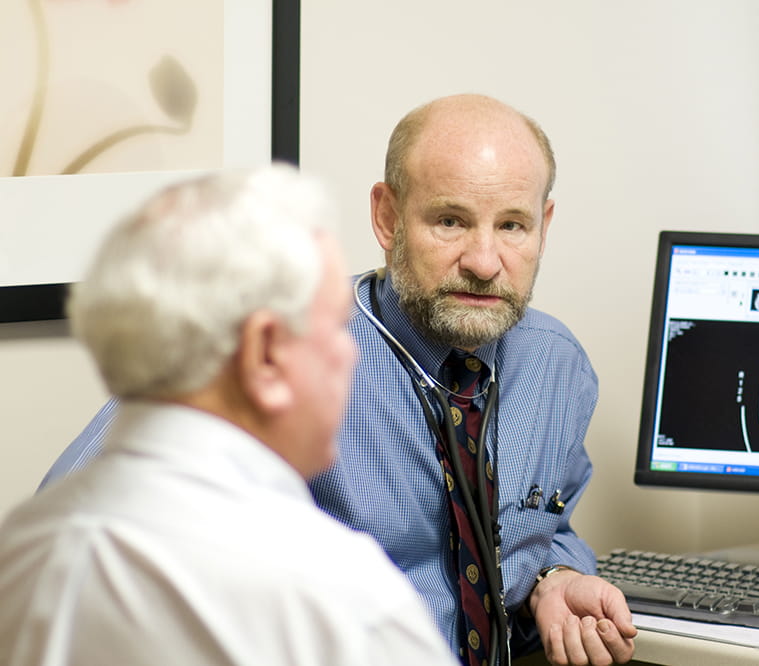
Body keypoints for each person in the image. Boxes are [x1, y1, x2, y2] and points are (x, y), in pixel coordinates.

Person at [40, 95, 637, 666]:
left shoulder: (554, 365)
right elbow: (72, 545)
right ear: (386, 216)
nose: (484, 262)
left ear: (544, 225)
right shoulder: (278, 351)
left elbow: (547, 525)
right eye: (450, 221)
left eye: (512, 226)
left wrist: (555, 578)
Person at [0, 166, 455, 666]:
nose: (352, 355)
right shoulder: (339, 596)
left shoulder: (24, 547)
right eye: (337, 328)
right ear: (265, 354)